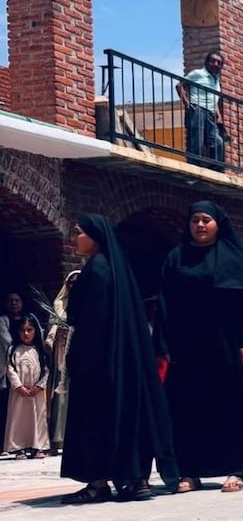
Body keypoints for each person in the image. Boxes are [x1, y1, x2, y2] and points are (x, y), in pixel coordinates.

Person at [60, 215, 179, 503]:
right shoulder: (113, 270)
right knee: (120, 417)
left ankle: (100, 482)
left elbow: (94, 323)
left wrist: (79, 361)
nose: (73, 239)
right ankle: (130, 479)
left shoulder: (98, 271)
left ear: (95, 237)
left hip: (100, 362)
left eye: (78, 233)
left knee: (98, 419)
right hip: (119, 360)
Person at [156, 201, 243, 493]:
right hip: (187, 347)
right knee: (188, 409)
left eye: (206, 220)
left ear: (218, 224)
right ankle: (190, 471)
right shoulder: (176, 258)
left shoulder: (231, 258)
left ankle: (238, 469)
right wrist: (163, 342)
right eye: (195, 220)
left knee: (232, 407)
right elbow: (164, 303)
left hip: (227, 345)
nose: (200, 225)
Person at [4, 315, 49, 458]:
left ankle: (39, 446)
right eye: (23, 330)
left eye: (30, 330)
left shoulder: (40, 350)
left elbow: (46, 370)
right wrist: (18, 387)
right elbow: (10, 369)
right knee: (18, 419)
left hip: (36, 392)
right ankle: (18, 447)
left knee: (38, 418)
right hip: (19, 393)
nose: (26, 334)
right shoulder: (13, 350)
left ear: (35, 331)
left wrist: (39, 386)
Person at [45, 270, 79, 454]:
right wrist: (60, 331)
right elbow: (53, 326)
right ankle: (60, 437)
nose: (74, 286)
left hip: (81, 348)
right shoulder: (60, 304)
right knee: (62, 393)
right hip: (63, 350)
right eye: (71, 282)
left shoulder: (88, 300)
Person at [177, 51, 225, 169]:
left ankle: (217, 169)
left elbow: (214, 98)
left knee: (218, 141)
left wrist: (218, 115)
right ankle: (193, 167)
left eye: (219, 62)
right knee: (196, 140)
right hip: (197, 109)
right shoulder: (198, 74)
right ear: (207, 62)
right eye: (213, 61)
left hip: (210, 113)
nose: (215, 64)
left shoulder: (216, 80)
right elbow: (180, 85)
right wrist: (187, 103)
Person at [0, 291, 25, 443]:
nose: (14, 303)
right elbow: (7, 341)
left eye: (17, 300)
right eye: (11, 300)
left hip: (25, 368)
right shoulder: (3, 321)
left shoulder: (27, 320)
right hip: (7, 367)